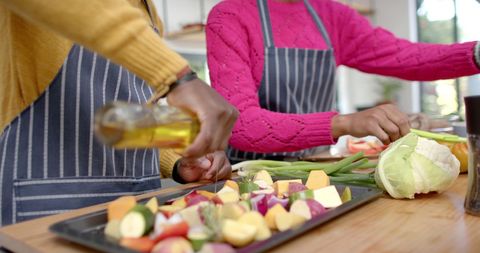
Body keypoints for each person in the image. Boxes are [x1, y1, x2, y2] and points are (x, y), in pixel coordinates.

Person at [0, 0, 237, 226]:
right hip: (46, 212)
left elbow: (129, 121)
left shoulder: (148, 12)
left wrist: (178, 160)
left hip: (135, 208)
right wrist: (177, 77)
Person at [206, 0, 480, 162]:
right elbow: (240, 125)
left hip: (320, 169)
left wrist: (475, 54)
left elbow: (406, 56)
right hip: (251, 179)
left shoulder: (332, 16)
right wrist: (346, 122)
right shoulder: (230, 16)